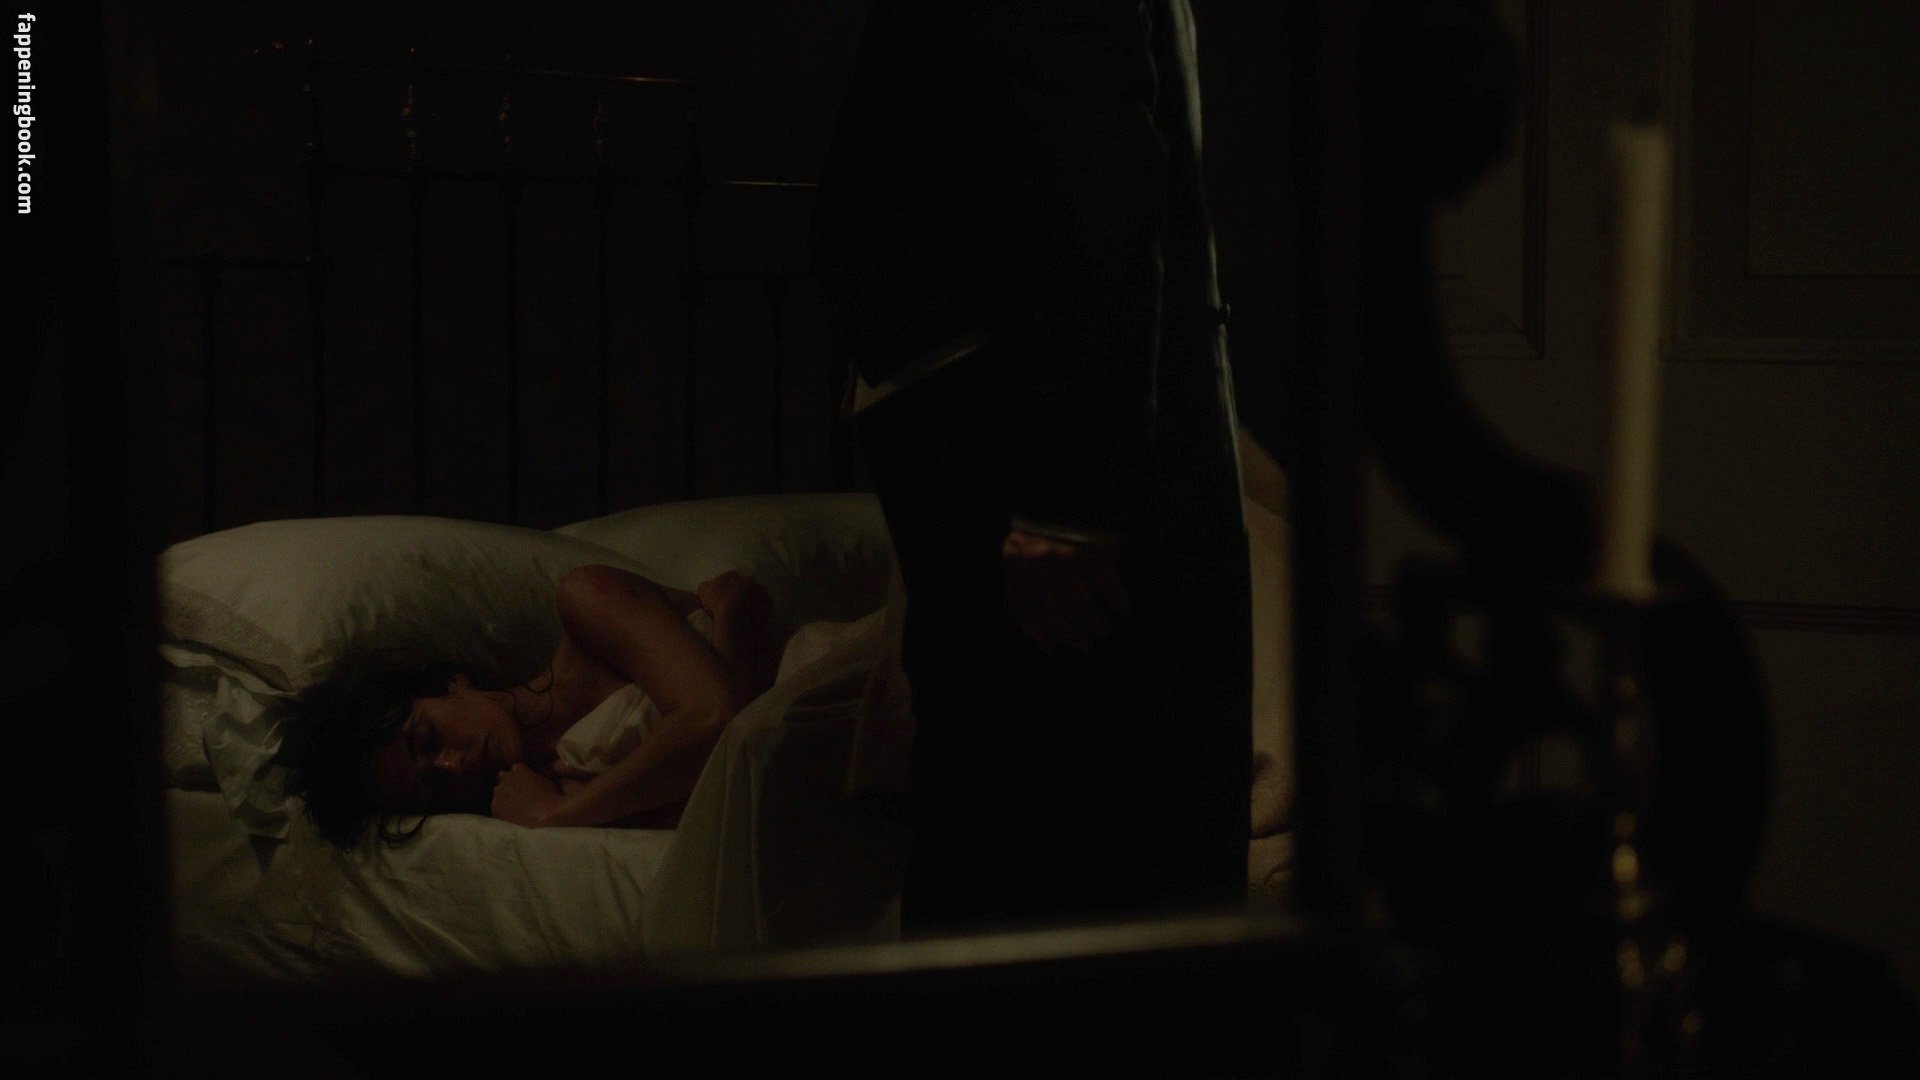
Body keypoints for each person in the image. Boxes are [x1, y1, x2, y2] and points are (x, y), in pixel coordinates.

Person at [812, 0, 1253, 934]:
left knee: (1029, 848)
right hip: (1033, 439)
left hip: (1024, 447)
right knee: (1037, 837)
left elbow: (1095, 174)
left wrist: (1068, 499)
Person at [283, 565, 785, 849]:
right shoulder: (547, 793)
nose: (454, 766)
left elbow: (712, 717)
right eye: (432, 789)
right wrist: (733, 644)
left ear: (452, 685)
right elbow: (726, 808)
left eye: (428, 739)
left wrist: (555, 816)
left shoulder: (586, 605)